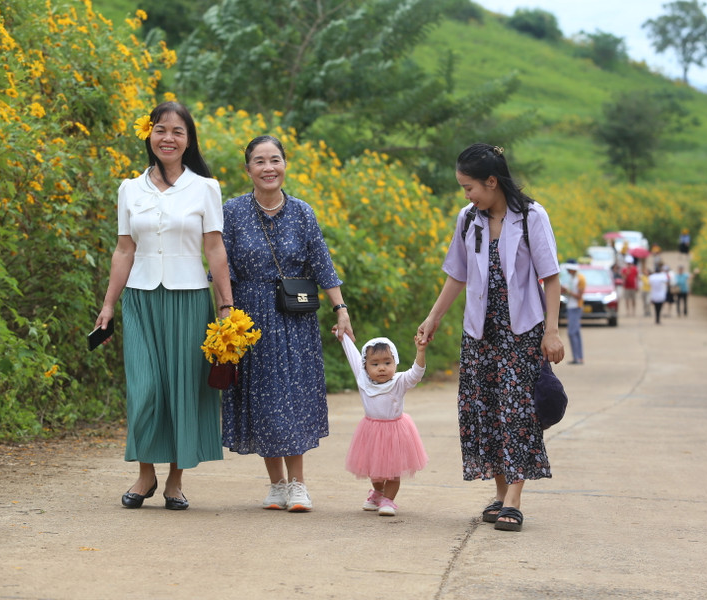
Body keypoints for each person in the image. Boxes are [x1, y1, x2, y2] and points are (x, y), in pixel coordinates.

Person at [417, 143, 565, 533]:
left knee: (517, 413)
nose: (466, 195)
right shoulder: (468, 219)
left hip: (522, 333)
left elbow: (551, 278)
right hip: (479, 334)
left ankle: (514, 501)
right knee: (485, 412)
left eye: (470, 187)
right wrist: (433, 318)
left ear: (491, 181)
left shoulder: (531, 216)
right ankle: (500, 495)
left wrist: (551, 331)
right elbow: (456, 274)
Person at [94, 101, 233, 511]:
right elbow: (123, 251)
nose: (167, 138)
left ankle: (174, 480)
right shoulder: (129, 188)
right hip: (139, 299)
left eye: (177, 132)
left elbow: (215, 248)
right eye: (160, 130)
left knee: (182, 389)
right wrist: (108, 305)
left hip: (190, 300)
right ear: (149, 135)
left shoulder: (205, 188)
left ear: (188, 141)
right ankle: (144, 472)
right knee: (145, 389)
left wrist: (226, 305)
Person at [220, 135, 354, 512]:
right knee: (262, 398)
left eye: (275, 160)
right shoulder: (231, 211)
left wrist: (340, 309)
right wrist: (225, 313)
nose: (268, 168)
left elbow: (322, 264)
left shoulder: (302, 212)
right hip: (249, 318)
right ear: (247, 169)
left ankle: (298, 484)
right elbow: (221, 266)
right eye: (259, 161)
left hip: (294, 318)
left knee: (291, 398)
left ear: (285, 165)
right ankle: (276, 484)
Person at [336, 333, 429, 517]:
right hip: (371, 431)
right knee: (375, 470)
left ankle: (388, 500)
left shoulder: (400, 381)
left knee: (393, 471)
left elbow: (417, 373)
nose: (381, 368)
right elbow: (353, 356)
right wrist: (343, 336)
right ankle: (378, 492)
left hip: (395, 431)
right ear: (365, 366)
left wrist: (420, 351)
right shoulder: (362, 380)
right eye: (375, 364)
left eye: (387, 362)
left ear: (395, 362)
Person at [561, 259, 585, 365]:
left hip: (576, 307)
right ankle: (579, 357)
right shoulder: (572, 278)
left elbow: (579, 296)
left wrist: (568, 291)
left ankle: (577, 358)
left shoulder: (580, 279)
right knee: (576, 333)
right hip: (571, 306)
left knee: (572, 332)